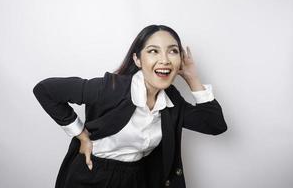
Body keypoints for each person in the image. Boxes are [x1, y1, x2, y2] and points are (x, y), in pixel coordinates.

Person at [33, 24, 227, 188]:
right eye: (153, 51)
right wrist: (81, 135)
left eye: (173, 51)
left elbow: (214, 124)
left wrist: (193, 78)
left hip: (137, 179)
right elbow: (46, 90)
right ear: (137, 59)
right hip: (93, 175)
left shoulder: (172, 100)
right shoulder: (113, 87)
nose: (165, 59)